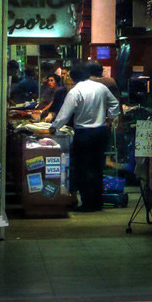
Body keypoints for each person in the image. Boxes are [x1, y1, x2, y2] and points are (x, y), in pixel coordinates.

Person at [51, 64, 121, 212]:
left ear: (73, 78)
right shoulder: (101, 88)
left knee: (83, 169)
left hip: (84, 134)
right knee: (97, 167)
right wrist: (110, 118)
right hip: (101, 133)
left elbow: (65, 113)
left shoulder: (75, 91)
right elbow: (115, 104)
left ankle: (88, 204)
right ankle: (97, 202)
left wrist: (55, 127)